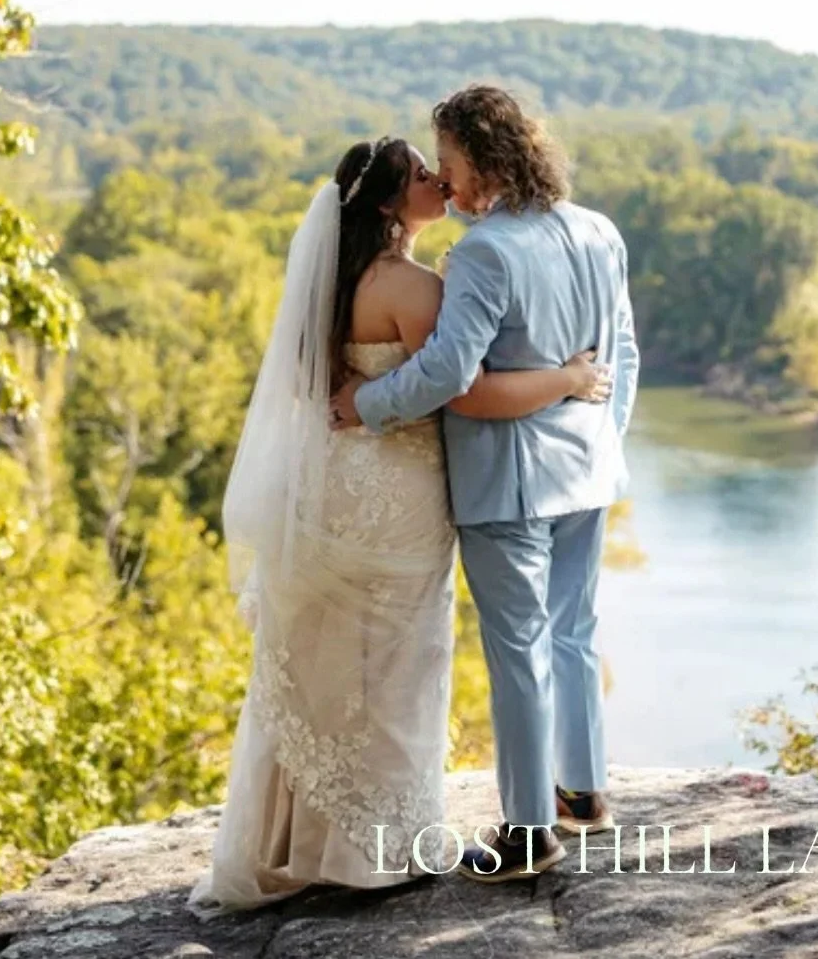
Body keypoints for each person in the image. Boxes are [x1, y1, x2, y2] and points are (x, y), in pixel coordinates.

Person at [188, 135, 611, 916]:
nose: (438, 180)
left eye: (439, 166)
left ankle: (305, 841)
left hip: (339, 487)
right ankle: (381, 847)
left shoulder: (337, 281)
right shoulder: (414, 287)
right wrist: (573, 377)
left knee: (329, 660)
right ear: (391, 204)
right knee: (396, 666)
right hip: (402, 497)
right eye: (423, 175)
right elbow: (463, 391)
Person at [331, 86, 639, 884]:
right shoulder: (598, 230)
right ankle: (583, 792)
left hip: (508, 478)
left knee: (519, 651)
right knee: (572, 633)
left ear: (489, 158)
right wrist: (605, 437)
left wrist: (364, 405)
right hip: (587, 469)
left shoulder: (483, 253)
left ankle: (529, 834)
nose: (448, 179)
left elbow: (446, 371)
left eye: (453, 162)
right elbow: (626, 354)